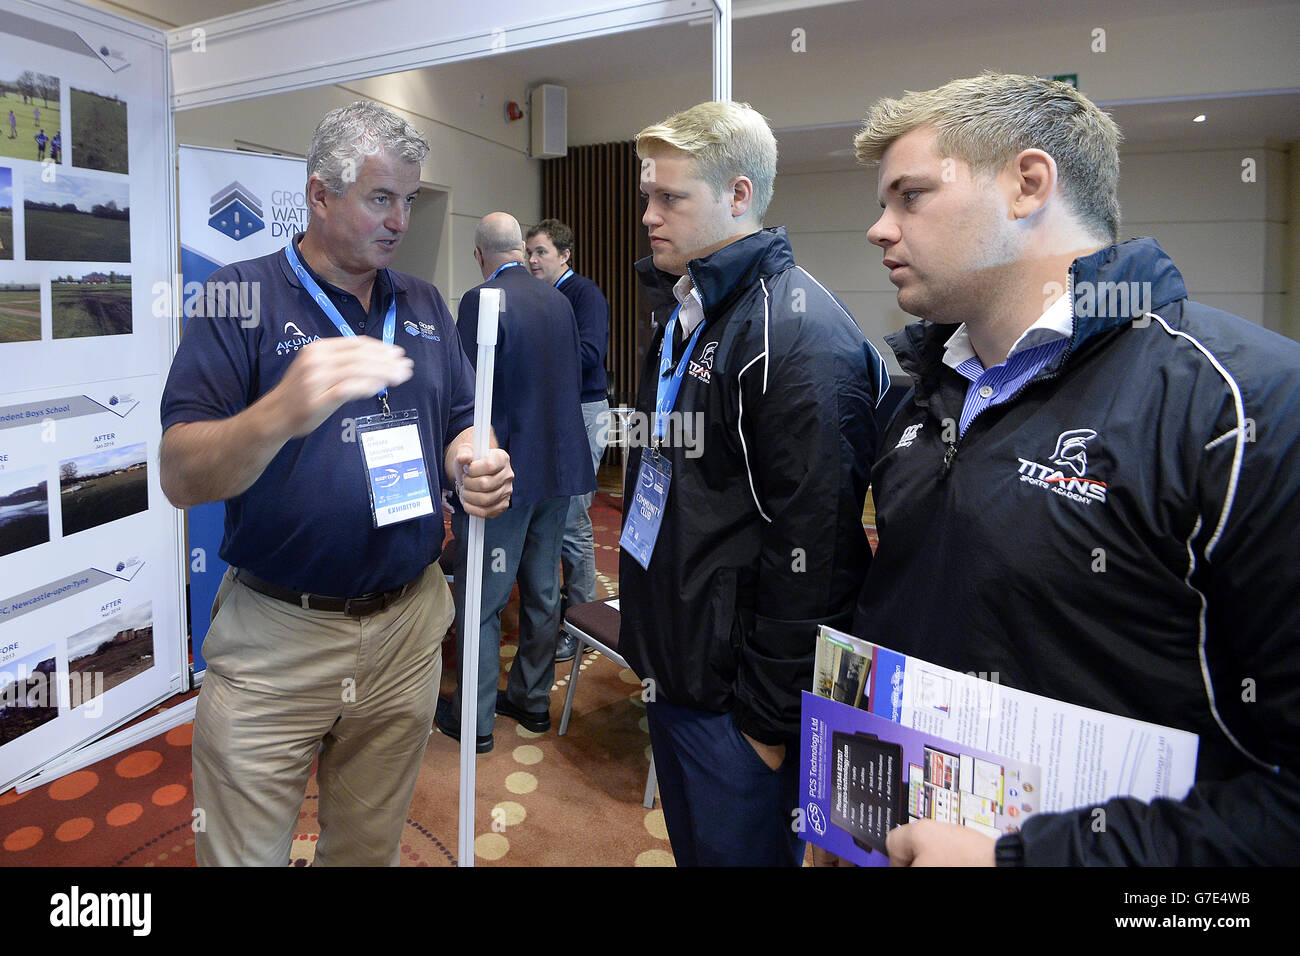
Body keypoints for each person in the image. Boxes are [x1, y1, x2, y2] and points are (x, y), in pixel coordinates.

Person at [851, 72, 1300, 866]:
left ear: (1027, 185)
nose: (879, 229)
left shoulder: (1242, 407)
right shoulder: (921, 388)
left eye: (909, 196)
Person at [159, 101, 513, 866]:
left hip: (409, 624)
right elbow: (181, 474)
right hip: (278, 638)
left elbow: (457, 418)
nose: (400, 220)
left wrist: (472, 458)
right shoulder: (239, 296)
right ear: (320, 195)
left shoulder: (419, 302)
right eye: (380, 198)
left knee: (365, 850)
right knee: (242, 854)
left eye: (409, 200)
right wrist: (280, 411)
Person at [619, 101, 886, 866]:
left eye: (671, 198)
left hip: (738, 709)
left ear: (739, 196)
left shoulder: (796, 332)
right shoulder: (688, 309)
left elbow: (819, 553)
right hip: (677, 667)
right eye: (648, 196)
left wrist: (767, 728)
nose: (648, 216)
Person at [434, 212, 594, 753]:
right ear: (523, 252)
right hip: (559, 467)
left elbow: (467, 396)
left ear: (480, 256)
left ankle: (474, 720)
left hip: (504, 474)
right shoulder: (558, 298)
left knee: (481, 599)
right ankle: (531, 699)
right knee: (543, 590)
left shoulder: (482, 301)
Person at [524, 217, 610, 662]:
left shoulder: (583, 294)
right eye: (529, 251)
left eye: (540, 252)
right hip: (556, 413)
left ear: (564, 255)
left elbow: (590, 354)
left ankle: (580, 626)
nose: (532, 259)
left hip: (584, 412)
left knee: (573, 520)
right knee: (555, 516)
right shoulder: (543, 297)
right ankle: (560, 612)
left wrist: (534, 354)